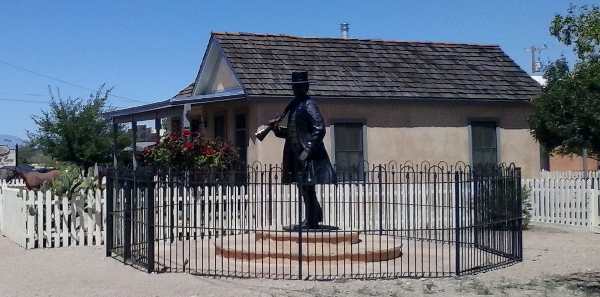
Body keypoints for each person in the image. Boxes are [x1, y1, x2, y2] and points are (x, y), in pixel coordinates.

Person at [271, 71, 336, 229]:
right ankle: (313, 216)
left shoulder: (309, 105)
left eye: (298, 86)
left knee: (308, 187)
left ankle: (312, 219)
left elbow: (319, 128)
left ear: (305, 87)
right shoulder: (294, 105)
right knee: (302, 187)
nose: (295, 89)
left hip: (308, 156)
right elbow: (293, 131)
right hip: (294, 155)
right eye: (294, 87)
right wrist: (276, 130)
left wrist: (307, 149)